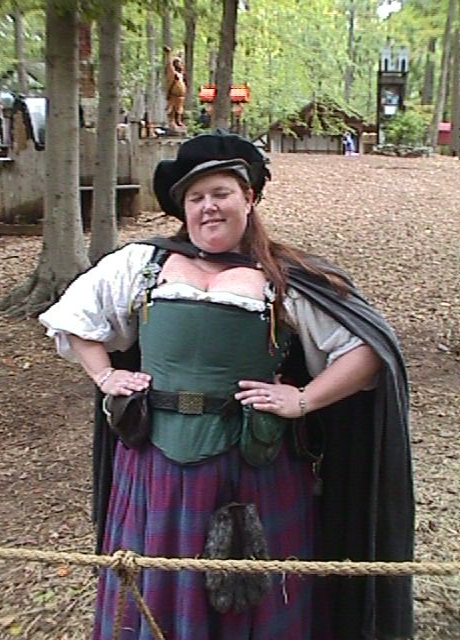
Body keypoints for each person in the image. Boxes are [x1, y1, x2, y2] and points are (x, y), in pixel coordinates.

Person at [39, 130, 414, 640]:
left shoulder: (285, 277)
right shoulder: (142, 264)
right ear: (183, 207)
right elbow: (75, 318)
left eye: (221, 193)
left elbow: (367, 351)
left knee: (253, 597)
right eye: (196, 198)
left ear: (249, 198)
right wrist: (105, 375)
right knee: (154, 581)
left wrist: (304, 399)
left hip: (253, 464)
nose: (208, 207)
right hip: (153, 466)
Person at [164, 45, 187, 132]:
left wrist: (181, 53)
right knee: (172, 110)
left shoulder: (181, 74)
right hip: (174, 95)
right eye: (178, 63)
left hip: (180, 96)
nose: (180, 64)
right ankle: (172, 122)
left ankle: (178, 121)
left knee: (179, 110)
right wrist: (168, 54)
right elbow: (169, 65)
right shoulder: (173, 73)